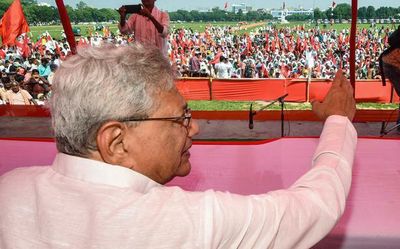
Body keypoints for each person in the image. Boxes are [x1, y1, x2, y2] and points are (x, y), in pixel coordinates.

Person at [0, 44, 357, 248]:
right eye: (180, 118)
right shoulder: (190, 223)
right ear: (116, 142)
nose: (196, 127)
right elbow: (316, 205)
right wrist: (338, 120)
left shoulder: (9, 189)